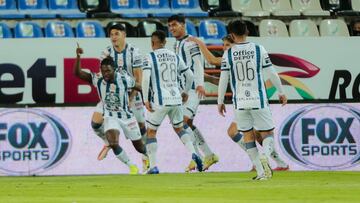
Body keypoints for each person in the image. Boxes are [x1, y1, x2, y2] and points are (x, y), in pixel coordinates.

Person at [188, 35, 289, 171]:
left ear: (235, 44)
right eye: (223, 46)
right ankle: (274, 162)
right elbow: (220, 80)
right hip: (245, 100)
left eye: (227, 45)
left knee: (250, 133)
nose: (225, 48)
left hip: (250, 99)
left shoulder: (233, 57)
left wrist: (199, 42)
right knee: (249, 133)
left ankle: (264, 161)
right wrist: (205, 78)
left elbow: (211, 60)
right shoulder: (234, 57)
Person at [218, 20, 288, 180]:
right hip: (259, 100)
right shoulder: (258, 49)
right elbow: (272, 73)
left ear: (232, 35)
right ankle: (265, 155)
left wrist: (220, 101)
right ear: (247, 31)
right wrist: (281, 92)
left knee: (248, 136)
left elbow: (224, 79)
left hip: (240, 102)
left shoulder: (228, 54)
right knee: (267, 133)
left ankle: (261, 172)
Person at [74, 43, 147, 174]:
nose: (105, 73)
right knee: (113, 142)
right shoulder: (98, 79)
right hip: (111, 116)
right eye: (103, 70)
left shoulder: (124, 79)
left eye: (108, 70)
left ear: (114, 69)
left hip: (127, 117)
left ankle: (150, 160)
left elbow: (140, 87)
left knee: (140, 147)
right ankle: (132, 166)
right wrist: (78, 56)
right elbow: (78, 73)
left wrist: (147, 101)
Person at [142, 30, 203, 174]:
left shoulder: (149, 57)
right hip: (176, 98)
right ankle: (194, 153)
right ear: (165, 42)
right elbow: (189, 74)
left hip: (160, 100)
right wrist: (186, 92)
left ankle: (153, 166)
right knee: (179, 128)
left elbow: (145, 79)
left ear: (152, 43)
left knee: (151, 131)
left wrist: (145, 99)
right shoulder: (174, 56)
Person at [91, 24, 149, 171]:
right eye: (111, 35)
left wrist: (129, 98)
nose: (113, 37)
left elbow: (138, 79)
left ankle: (146, 158)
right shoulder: (106, 53)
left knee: (141, 125)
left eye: (116, 34)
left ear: (124, 35)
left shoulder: (134, 52)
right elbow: (104, 77)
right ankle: (107, 141)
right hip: (111, 96)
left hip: (132, 95)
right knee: (96, 123)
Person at [168, 14, 218, 172]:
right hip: (184, 89)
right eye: (169, 26)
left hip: (194, 88)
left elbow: (197, 64)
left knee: (181, 122)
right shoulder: (176, 44)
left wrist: (201, 84)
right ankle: (209, 155)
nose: (172, 28)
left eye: (175, 25)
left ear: (183, 25)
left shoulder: (190, 42)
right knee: (186, 124)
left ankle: (196, 158)